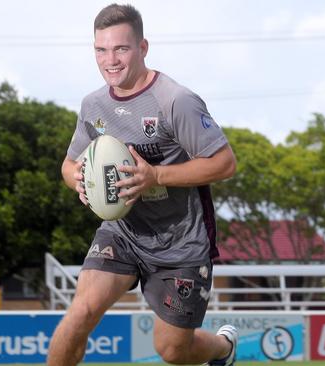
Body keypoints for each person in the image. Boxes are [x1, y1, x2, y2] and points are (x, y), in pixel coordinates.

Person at [48, 3, 238, 365]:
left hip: (180, 243)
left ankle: (224, 349)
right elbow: (69, 164)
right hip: (122, 231)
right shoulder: (93, 105)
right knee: (79, 315)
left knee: (171, 351)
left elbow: (225, 162)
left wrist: (156, 175)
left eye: (121, 48)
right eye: (101, 50)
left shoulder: (174, 100)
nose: (110, 60)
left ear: (143, 48)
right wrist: (77, 179)